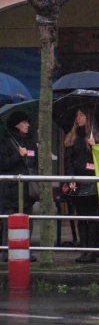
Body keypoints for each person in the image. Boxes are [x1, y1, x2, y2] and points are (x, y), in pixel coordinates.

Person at [63, 109, 99, 263]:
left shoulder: (97, 137)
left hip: (92, 181)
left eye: (81, 115)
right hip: (78, 181)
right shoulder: (72, 137)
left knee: (92, 217)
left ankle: (92, 251)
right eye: (77, 115)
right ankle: (84, 249)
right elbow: (68, 160)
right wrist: (70, 177)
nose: (78, 118)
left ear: (88, 118)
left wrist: (95, 147)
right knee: (81, 216)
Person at [0, 111, 37, 262]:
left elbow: (35, 161)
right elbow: (4, 164)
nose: (28, 125)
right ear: (17, 124)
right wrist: (18, 155)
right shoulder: (5, 142)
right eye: (25, 122)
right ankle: (6, 252)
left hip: (27, 190)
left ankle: (25, 250)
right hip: (10, 191)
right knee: (9, 222)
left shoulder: (30, 141)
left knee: (28, 220)